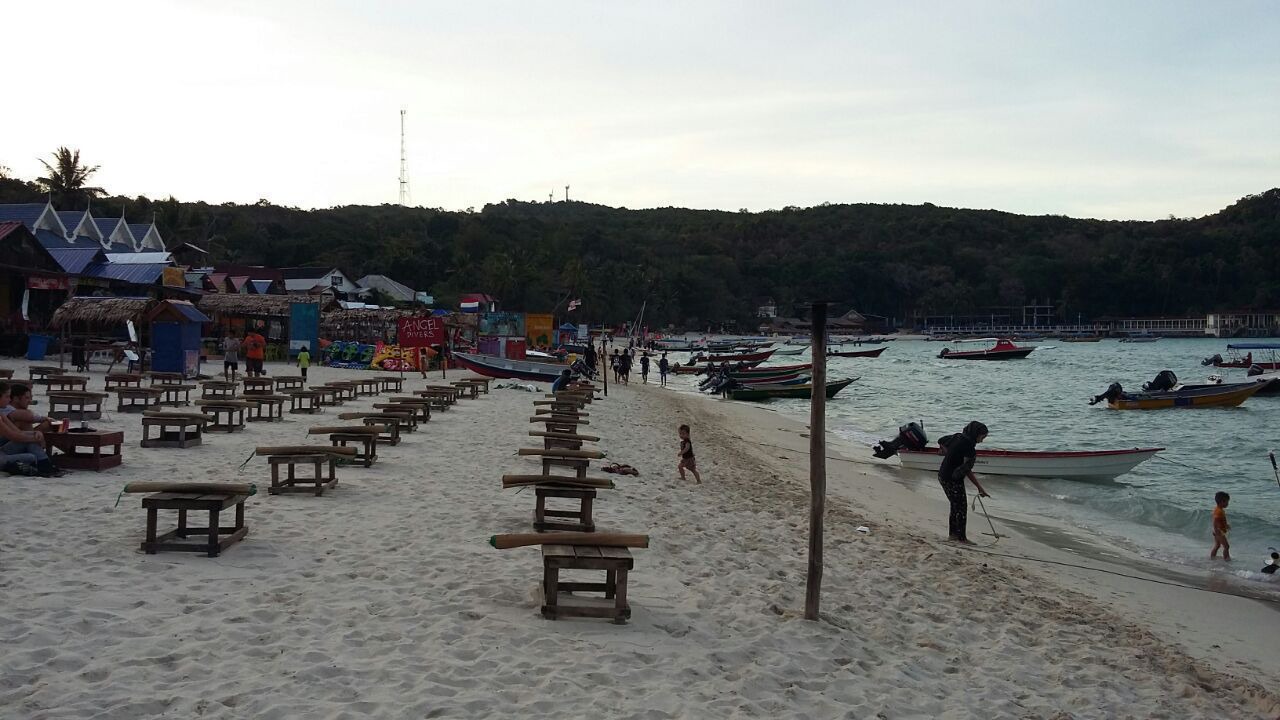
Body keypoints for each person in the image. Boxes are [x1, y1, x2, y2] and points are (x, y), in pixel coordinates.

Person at [937, 421, 991, 544]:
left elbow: (941, 440)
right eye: (982, 437)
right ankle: (962, 538)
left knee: (955, 505)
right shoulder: (970, 449)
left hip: (942, 475)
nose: (982, 441)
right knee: (961, 508)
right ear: (976, 434)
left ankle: (953, 535)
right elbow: (967, 470)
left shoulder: (957, 436)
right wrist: (979, 487)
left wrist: (947, 452)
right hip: (952, 479)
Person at [0, 383, 62, 476]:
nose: (9, 399)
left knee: (31, 453)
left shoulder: (2, 414)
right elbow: (14, 436)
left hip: (2, 451)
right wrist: (36, 438)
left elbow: (18, 432)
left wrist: (35, 433)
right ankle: (47, 467)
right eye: (7, 397)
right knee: (31, 457)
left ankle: (47, 467)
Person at [1210, 491, 1231, 561]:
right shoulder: (1219, 511)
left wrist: (1226, 525)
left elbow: (1220, 521)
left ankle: (1212, 558)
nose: (1228, 504)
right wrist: (1217, 530)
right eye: (1227, 502)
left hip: (1217, 531)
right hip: (1219, 532)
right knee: (1226, 546)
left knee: (1217, 545)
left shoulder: (1218, 509)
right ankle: (1227, 559)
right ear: (1222, 502)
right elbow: (1215, 520)